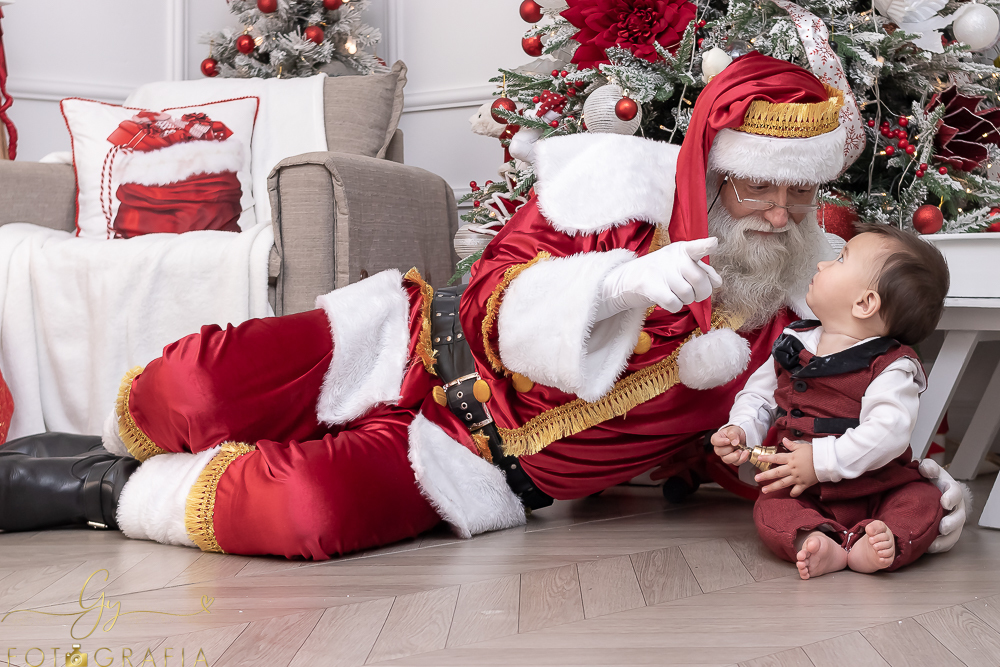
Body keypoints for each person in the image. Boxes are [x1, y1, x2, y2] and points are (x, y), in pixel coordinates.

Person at [0, 54, 967, 559]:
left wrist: (901, 495)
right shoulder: (611, 191)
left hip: (482, 470)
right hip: (413, 345)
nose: (782, 215)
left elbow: (776, 448)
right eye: (761, 187)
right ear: (712, 169)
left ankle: (97, 493)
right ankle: (109, 443)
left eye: (800, 199)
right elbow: (498, 289)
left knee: (295, 508)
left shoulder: (798, 332)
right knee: (191, 388)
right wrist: (613, 287)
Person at [712, 224, 957, 579]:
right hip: (806, 489)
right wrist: (741, 429)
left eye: (840, 260)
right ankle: (818, 539)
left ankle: (882, 541)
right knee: (773, 508)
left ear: (864, 303)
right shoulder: (794, 340)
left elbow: (889, 431)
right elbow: (760, 396)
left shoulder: (891, 365)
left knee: (922, 502)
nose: (823, 264)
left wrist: (823, 460)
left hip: (879, 486)